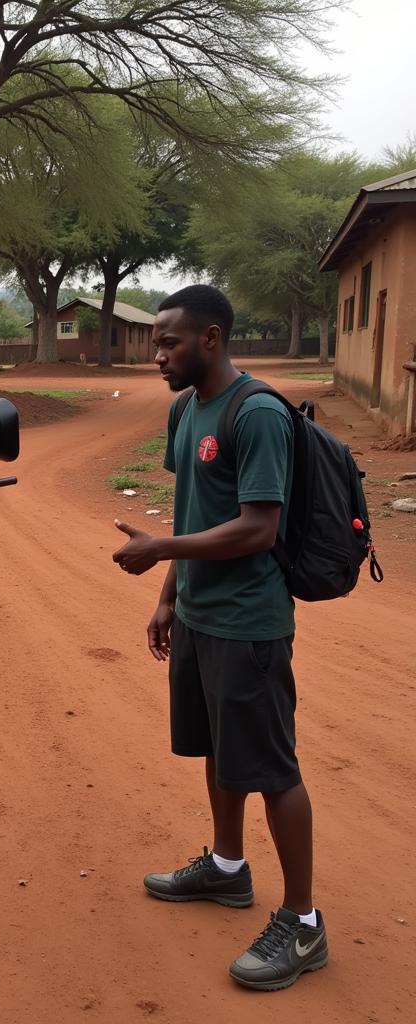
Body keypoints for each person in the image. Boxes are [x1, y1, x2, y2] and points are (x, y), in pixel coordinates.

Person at [111, 284, 327, 992]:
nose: (158, 356)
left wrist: (160, 549)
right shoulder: (186, 408)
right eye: (155, 344)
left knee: (271, 767)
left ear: (210, 338)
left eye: (168, 342)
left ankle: (303, 924)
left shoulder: (256, 413)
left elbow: (258, 527)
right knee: (215, 751)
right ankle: (228, 869)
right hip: (201, 617)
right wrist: (168, 595)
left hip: (249, 625)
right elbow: (192, 504)